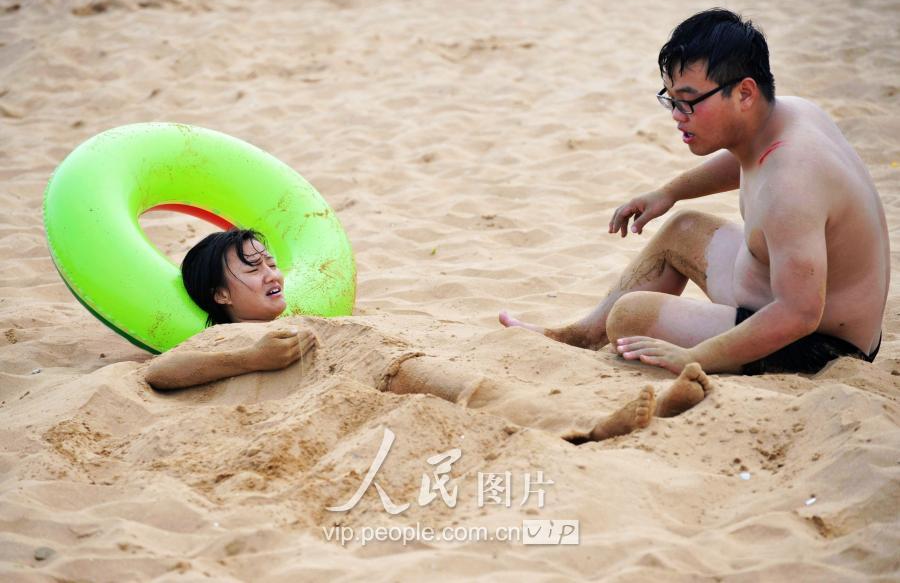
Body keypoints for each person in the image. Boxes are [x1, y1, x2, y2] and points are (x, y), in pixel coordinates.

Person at [500, 8, 889, 376]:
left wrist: (695, 356)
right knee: (683, 227)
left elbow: (800, 313)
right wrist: (669, 192)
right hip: (777, 295)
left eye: (688, 102)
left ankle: (608, 333)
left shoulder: (792, 181)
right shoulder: (788, 116)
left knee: (631, 316)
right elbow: (744, 160)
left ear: (745, 93)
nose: (676, 116)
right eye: (670, 99)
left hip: (821, 345)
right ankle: (579, 337)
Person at [145, 229, 713, 442]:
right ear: (220, 296)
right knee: (480, 394)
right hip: (377, 382)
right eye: (252, 268)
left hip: (391, 360)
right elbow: (159, 372)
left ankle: (620, 410)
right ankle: (592, 426)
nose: (271, 273)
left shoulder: (300, 316)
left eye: (271, 262)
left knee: (491, 382)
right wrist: (249, 357)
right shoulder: (220, 338)